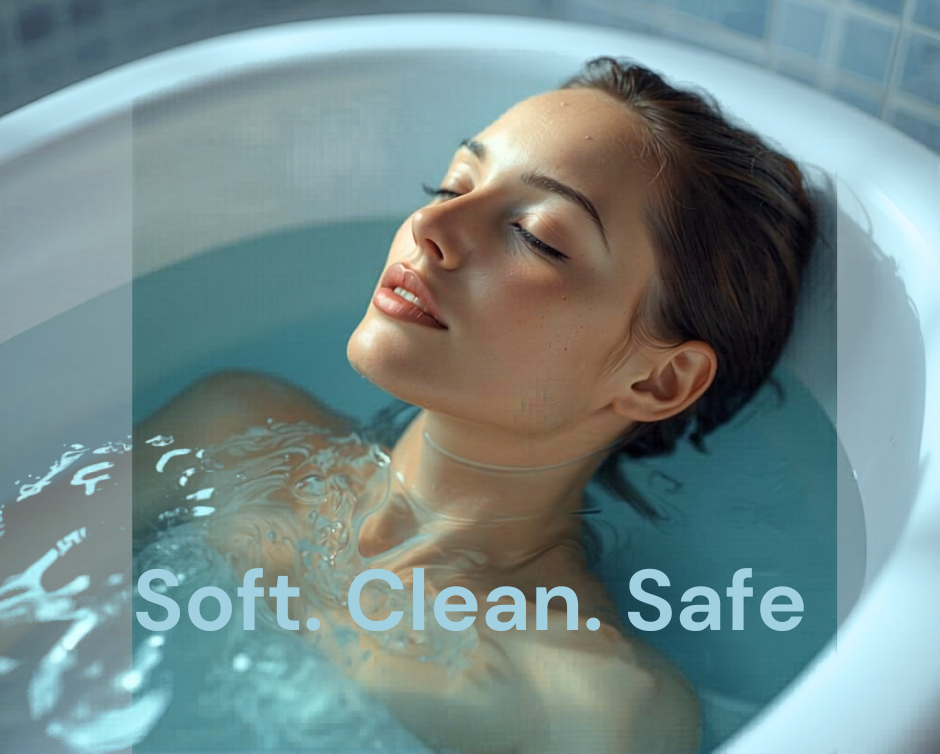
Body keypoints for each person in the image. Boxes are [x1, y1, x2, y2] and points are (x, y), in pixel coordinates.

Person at [2, 57, 818, 754]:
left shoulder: (594, 704)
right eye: (454, 183)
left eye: (535, 233)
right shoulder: (230, 426)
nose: (431, 223)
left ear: (655, 382)